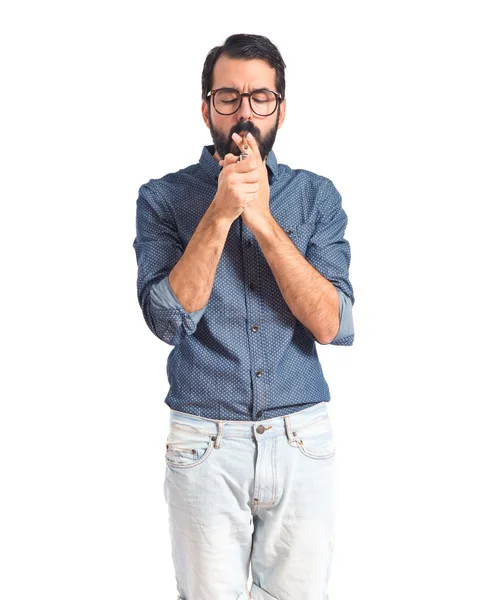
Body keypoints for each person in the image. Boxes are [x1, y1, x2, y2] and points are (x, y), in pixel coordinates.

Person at [132, 33, 355, 600]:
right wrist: (220, 211)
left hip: (302, 440)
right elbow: (166, 320)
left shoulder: (315, 198)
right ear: (206, 108)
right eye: (228, 97)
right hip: (202, 443)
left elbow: (332, 323)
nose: (244, 111)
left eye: (260, 97)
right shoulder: (162, 198)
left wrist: (262, 219)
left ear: (281, 108)